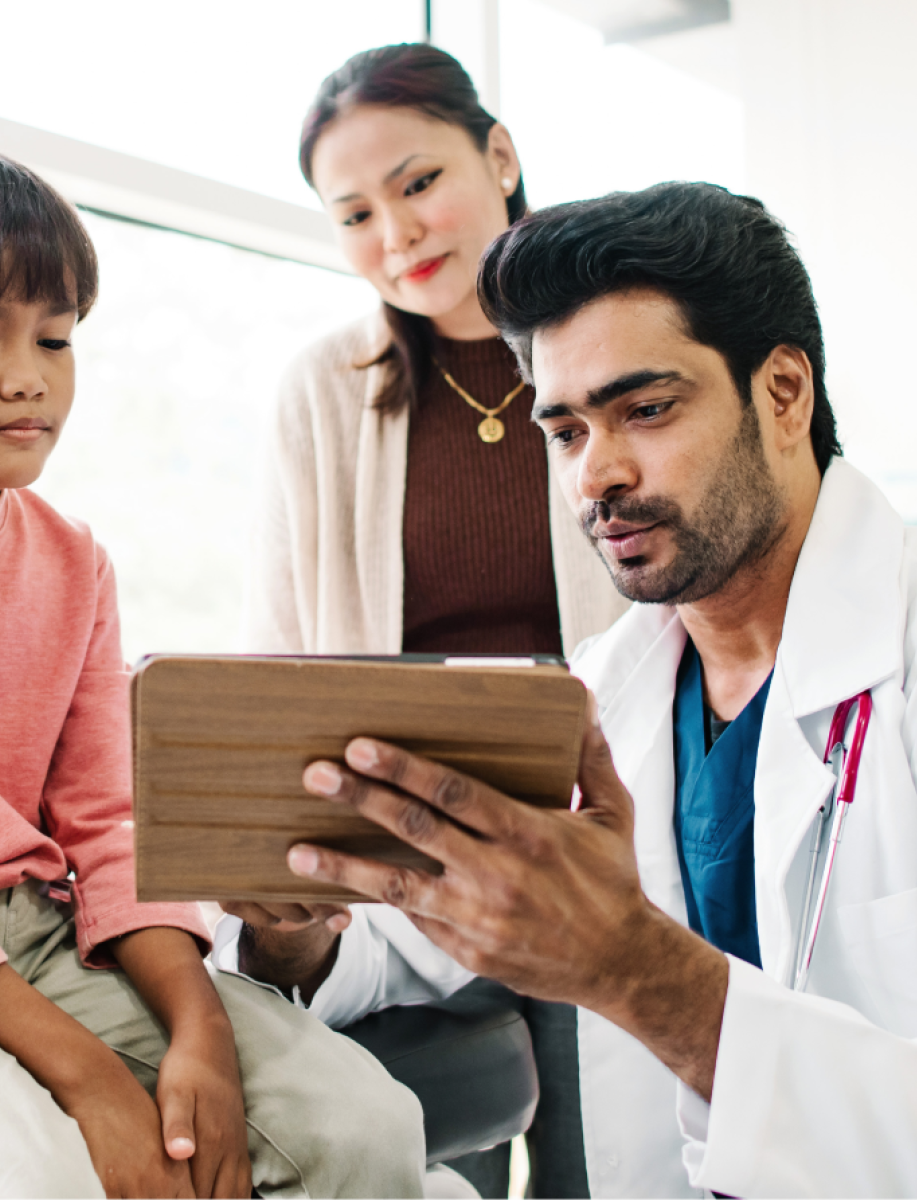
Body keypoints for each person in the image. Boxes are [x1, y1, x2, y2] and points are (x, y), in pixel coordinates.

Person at [0, 137, 427, 1200]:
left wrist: (202, 1035)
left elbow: (106, 820)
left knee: (362, 1126)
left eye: (55, 339)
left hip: (28, 925)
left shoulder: (74, 560)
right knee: (28, 1177)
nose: (27, 376)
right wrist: (90, 1076)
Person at [281, 179, 917, 1199]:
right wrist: (295, 929)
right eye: (568, 431)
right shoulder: (603, 691)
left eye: (647, 410)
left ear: (784, 392)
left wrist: (637, 973)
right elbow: (407, 928)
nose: (595, 476)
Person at [223, 43, 625, 1200]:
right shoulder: (323, 387)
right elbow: (281, 647)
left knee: (608, 1149)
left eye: (416, 183)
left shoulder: (607, 357)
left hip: (598, 808)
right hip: (406, 821)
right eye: (353, 211)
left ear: (499, 158)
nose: (394, 232)